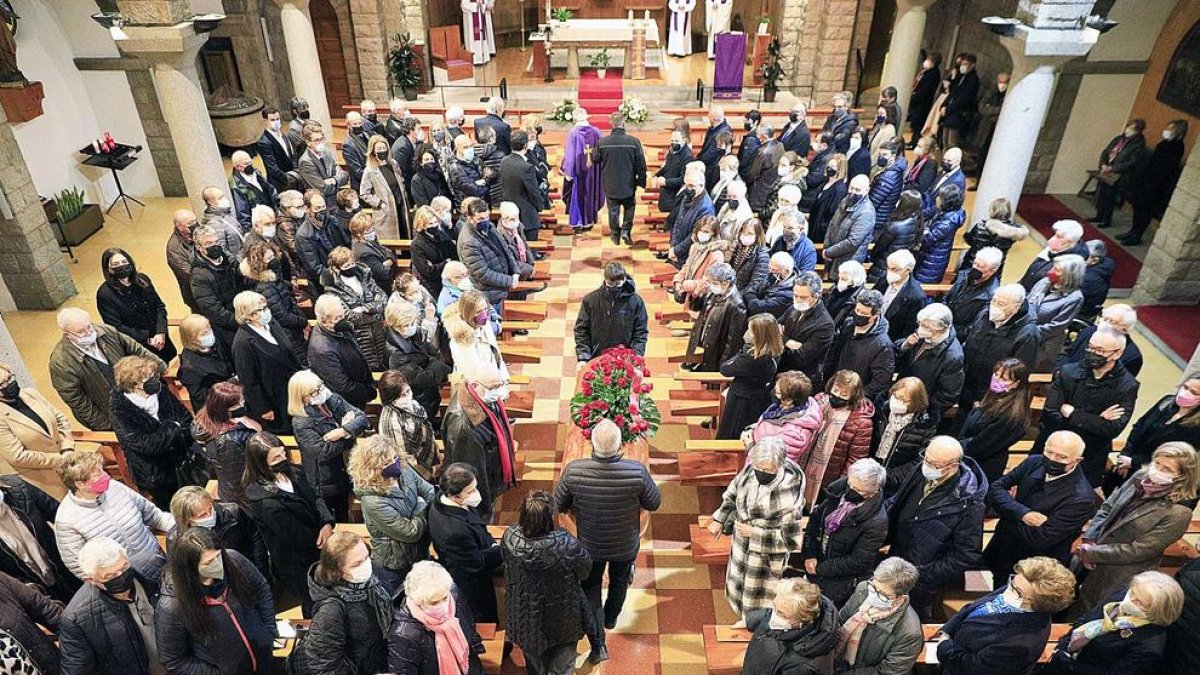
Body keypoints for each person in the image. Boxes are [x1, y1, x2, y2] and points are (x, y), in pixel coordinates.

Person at [555, 418, 660, 660]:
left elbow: (559, 503)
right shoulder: (636, 472)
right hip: (625, 544)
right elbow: (653, 502)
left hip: (590, 546)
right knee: (620, 580)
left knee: (590, 587)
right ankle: (612, 618)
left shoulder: (575, 471)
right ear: (620, 444)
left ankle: (598, 643)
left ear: (592, 444)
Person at [1070, 442, 1198, 616]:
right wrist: (1088, 539)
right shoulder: (1140, 477)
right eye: (1157, 463)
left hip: (1117, 573)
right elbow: (1108, 507)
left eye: (1167, 469)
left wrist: (1094, 552)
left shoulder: (1179, 513)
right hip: (1089, 553)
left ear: (1183, 476)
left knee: (1091, 614)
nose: (1157, 470)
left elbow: (1139, 550)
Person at [883, 436, 987, 620]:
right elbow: (900, 499)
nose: (927, 465)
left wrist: (925, 574)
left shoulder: (969, 504)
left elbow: (966, 554)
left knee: (913, 616)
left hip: (922, 576)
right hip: (899, 553)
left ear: (953, 466)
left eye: (935, 464)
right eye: (926, 459)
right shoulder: (922, 470)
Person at [708, 436, 805, 620]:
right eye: (758, 468)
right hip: (740, 546)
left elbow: (792, 541)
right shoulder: (751, 470)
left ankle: (752, 625)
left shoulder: (789, 495)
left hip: (764, 560)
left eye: (767, 470)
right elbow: (732, 492)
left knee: (757, 606)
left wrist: (755, 534)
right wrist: (719, 519)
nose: (761, 472)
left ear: (779, 466)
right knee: (737, 593)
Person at [985, 430, 1097, 588]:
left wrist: (1007, 511)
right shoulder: (1034, 462)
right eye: (1049, 452)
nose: (1052, 459)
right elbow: (995, 489)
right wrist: (1022, 514)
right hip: (1003, 549)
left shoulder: (1081, 498)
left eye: (1061, 457)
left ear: (1076, 460)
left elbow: (1041, 539)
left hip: (1033, 567)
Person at [155, 527, 275, 674]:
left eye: (218, 556)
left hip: (263, 659)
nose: (217, 565)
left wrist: (269, 631)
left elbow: (261, 590)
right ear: (190, 569)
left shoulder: (234, 561)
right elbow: (174, 661)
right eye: (208, 563)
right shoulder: (172, 607)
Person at [242, 431, 334, 617]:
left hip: (319, 542)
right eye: (276, 457)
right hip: (299, 561)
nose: (284, 458)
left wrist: (326, 522)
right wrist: (325, 540)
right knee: (314, 602)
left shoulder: (294, 472)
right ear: (261, 463)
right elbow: (295, 536)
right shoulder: (264, 501)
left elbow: (315, 496)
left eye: (283, 452)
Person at [934, 556, 1077, 674]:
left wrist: (944, 646)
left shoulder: (1021, 645)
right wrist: (947, 630)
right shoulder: (1018, 588)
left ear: (1037, 604)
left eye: (1018, 591)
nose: (1008, 590)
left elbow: (973, 667)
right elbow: (971, 608)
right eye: (1012, 581)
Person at [502, 490, 593, 673]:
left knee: (535, 667)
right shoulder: (566, 545)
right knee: (562, 666)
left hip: (525, 615)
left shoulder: (510, 537)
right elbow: (585, 571)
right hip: (563, 616)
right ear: (551, 518)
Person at [1035, 327, 1139, 486]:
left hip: (1090, 456)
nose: (1092, 353)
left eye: (1100, 350)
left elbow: (1112, 429)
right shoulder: (1068, 372)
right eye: (1090, 347)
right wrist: (1097, 420)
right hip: (1053, 443)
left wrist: (1073, 414)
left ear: (1117, 354)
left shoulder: (1127, 386)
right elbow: (1050, 412)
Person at [54, 451, 176, 581]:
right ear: (80, 484)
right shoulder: (66, 520)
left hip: (155, 559)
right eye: (98, 474)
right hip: (124, 578)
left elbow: (153, 515)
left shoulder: (116, 487)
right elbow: (79, 567)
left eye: (102, 470)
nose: (105, 476)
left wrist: (179, 527)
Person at [58, 537, 165, 674]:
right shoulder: (77, 619)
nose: (121, 576)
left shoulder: (154, 565)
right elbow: (77, 670)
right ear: (91, 580)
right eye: (110, 576)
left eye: (124, 567)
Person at [50, 307, 165, 432]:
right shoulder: (61, 363)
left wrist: (162, 368)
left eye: (89, 327)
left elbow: (136, 349)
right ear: (68, 335)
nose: (89, 333)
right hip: (108, 411)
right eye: (81, 332)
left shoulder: (106, 332)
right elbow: (78, 401)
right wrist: (106, 425)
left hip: (135, 396)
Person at [348, 434, 435, 593]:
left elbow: (429, 491)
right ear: (372, 468)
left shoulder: (403, 469)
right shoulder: (373, 501)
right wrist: (421, 505)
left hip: (419, 551)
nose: (394, 463)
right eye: (386, 462)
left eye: (394, 457)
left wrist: (422, 505)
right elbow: (410, 532)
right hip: (394, 562)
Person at [1049, 570, 1182, 675]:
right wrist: (1065, 644)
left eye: (1139, 602)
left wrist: (1070, 666)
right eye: (1132, 593)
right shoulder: (1123, 594)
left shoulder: (1148, 647)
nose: (1129, 600)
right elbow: (1088, 617)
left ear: (1156, 610)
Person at [798, 458, 889, 606]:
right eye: (850, 484)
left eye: (859, 490)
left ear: (873, 492)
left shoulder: (876, 522)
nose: (851, 491)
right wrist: (810, 554)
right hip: (817, 564)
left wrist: (821, 568)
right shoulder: (837, 491)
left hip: (840, 581)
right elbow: (815, 521)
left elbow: (859, 561)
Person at [109, 356, 193, 509]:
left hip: (183, 458)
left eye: (152, 376)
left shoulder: (159, 391)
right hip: (155, 472)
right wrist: (173, 427)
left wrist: (169, 434)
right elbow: (145, 445)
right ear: (133, 385)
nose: (153, 381)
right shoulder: (119, 409)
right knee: (173, 507)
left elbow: (186, 418)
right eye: (146, 379)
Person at [288, 369, 370, 523]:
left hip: (344, 470)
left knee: (344, 513)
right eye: (313, 392)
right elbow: (323, 451)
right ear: (302, 398)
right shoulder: (301, 422)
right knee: (332, 520)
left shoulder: (332, 400)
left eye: (320, 387)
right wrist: (349, 437)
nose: (320, 392)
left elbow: (361, 418)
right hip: (325, 480)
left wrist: (342, 431)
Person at [427, 463, 502, 624]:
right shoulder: (454, 532)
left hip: (477, 548)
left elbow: (478, 527)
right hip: (471, 581)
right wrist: (498, 550)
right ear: (455, 496)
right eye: (471, 491)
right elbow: (477, 563)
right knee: (482, 616)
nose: (476, 494)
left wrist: (489, 541)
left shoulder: (446, 498)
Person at [387, 559, 486, 674]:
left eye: (444, 598)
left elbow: (469, 625)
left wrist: (476, 650)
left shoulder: (452, 593)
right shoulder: (404, 634)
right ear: (418, 601)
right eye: (434, 602)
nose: (443, 605)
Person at [441, 373, 515, 524]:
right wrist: (484, 511)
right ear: (474, 385)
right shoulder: (463, 427)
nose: (499, 391)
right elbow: (472, 474)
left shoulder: (478, 397)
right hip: (484, 480)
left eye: (501, 385)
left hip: (492, 466)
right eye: (494, 387)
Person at [1108, 373, 1200, 493]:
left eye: (1194, 392)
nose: (1185, 393)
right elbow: (1139, 427)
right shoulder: (1166, 402)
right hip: (1127, 460)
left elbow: (1175, 458)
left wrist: (1133, 463)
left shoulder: (1196, 428)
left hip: (1153, 473)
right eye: (1185, 387)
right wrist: (1125, 457)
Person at [0, 365, 79, 500]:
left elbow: (61, 420)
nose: (9, 384)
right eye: (2, 384)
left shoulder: (31, 393)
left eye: (9, 378)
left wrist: (67, 449)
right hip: (43, 481)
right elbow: (17, 456)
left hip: (69, 463)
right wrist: (59, 460)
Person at [960, 284, 1042, 412]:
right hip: (969, 384)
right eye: (994, 301)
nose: (995, 306)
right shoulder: (984, 315)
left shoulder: (1028, 334)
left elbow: (1018, 372)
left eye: (1001, 304)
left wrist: (992, 399)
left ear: (1015, 308)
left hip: (992, 393)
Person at [834, 556, 923, 673]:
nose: (873, 595)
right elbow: (842, 619)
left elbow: (887, 672)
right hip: (839, 662)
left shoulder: (910, 633)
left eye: (883, 594)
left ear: (900, 597)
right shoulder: (863, 589)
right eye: (874, 587)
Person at [742, 576, 839, 674]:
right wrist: (750, 620)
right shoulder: (790, 610)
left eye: (781, 614)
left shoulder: (805, 668)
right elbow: (769, 613)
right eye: (774, 606)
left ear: (801, 621)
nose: (774, 615)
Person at [958, 358, 1032, 480]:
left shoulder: (1011, 414)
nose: (996, 379)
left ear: (1016, 383)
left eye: (1004, 378)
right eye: (996, 374)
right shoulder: (993, 397)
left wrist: (956, 448)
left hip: (982, 466)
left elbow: (982, 444)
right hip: (967, 456)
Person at [807, 370, 875, 504]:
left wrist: (840, 484)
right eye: (836, 390)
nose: (837, 396)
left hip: (829, 476)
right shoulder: (819, 401)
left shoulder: (862, 422)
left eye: (844, 394)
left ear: (853, 396)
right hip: (806, 465)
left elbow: (855, 458)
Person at [96, 248, 175, 363]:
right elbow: (116, 326)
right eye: (116, 264)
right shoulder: (105, 294)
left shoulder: (142, 279)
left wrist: (160, 332)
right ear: (109, 269)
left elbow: (159, 306)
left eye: (124, 262)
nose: (122, 266)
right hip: (138, 344)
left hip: (159, 337)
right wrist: (148, 339)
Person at [239, 242, 309, 366]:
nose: (274, 261)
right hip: (288, 333)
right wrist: (302, 322)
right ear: (260, 263)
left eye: (273, 257)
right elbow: (281, 316)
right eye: (269, 258)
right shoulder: (264, 287)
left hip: (294, 328)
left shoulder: (274, 277)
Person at [1121, 119, 1188, 245]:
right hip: (1147, 179)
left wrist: (1153, 183)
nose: (1167, 131)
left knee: (1146, 211)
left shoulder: (1177, 147)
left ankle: (1137, 235)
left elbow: (1166, 169)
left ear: (1178, 131)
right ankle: (1132, 231)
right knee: (1138, 206)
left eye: (1171, 129)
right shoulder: (1165, 143)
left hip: (1157, 185)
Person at [321, 248, 389, 370]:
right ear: (337, 268)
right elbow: (347, 315)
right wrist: (374, 314)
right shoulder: (333, 289)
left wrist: (368, 308)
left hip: (378, 331)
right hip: (359, 337)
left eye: (352, 263)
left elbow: (382, 298)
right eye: (347, 265)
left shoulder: (364, 276)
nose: (351, 267)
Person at [893, 303, 964, 420]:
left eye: (926, 327)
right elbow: (897, 353)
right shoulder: (923, 335)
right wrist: (906, 344)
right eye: (920, 324)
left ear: (941, 329)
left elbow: (948, 395)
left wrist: (922, 409)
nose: (921, 329)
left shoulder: (953, 357)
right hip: (902, 395)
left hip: (919, 409)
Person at [304, 294, 375, 410]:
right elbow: (343, 387)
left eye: (343, 315)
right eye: (337, 318)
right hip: (348, 403)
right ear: (324, 321)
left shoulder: (338, 329)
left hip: (359, 386)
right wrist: (368, 392)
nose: (342, 320)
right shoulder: (322, 349)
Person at [821, 290, 895, 401]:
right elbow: (834, 352)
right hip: (836, 386)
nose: (858, 315)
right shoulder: (848, 324)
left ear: (875, 315)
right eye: (857, 310)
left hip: (855, 397)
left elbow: (881, 380)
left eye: (864, 314)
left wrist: (856, 397)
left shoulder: (883, 345)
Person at [718, 313, 783, 439]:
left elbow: (725, 369)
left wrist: (744, 350)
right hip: (758, 396)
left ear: (760, 335)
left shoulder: (753, 358)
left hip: (741, 400)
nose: (747, 333)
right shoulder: (775, 349)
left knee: (732, 432)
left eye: (751, 331)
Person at [383, 303, 451, 422]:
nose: (411, 327)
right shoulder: (395, 353)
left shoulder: (414, 335)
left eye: (413, 323)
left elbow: (435, 352)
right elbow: (422, 378)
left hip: (428, 396)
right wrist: (438, 365)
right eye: (406, 325)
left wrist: (433, 362)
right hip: (416, 402)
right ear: (394, 326)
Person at [574, 262, 649, 365]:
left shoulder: (636, 302)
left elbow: (640, 331)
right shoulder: (591, 300)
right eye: (610, 284)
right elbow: (581, 330)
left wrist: (636, 355)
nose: (614, 288)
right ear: (605, 279)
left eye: (618, 284)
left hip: (625, 359)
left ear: (624, 279)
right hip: (596, 357)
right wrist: (583, 357)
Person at [745, 370, 823, 464]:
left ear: (789, 400)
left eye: (777, 392)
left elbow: (772, 462)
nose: (774, 393)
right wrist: (752, 429)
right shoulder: (782, 406)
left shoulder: (794, 434)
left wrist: (750, 445)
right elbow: (766, 422)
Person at [376, 370, 441, 482]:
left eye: (408, 391)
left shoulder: (410, 403)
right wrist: (431, 472)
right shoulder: (391, 422)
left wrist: (435, 448)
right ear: (390, 398)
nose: (407, 396)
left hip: (427, 455)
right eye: (402, 395)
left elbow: (425, 424)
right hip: (418, 473)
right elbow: (405, 459)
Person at [593, 113, 647, 245]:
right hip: (628, 183)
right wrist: (641, 182)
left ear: (611, 123)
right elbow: (641, 165)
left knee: (613, 210)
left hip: (610, 184)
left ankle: (615, 234)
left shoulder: (602, 143)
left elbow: (595, 159)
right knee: (629, 207)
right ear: (623, 123)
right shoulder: (634, 142)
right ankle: (626, 231)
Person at [190, 224, 244, 354]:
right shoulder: (199, 276)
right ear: (199, 248)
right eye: (208, 243)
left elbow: (244, 281)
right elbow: (214, 311)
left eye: (216, 241)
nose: (215, 246)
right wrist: (241, 321)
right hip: (227, 328)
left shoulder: (229, 260)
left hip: (242, 313)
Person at [457, 198, 521, 307]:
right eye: (481, 218)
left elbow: (504, 248)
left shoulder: (489, 226)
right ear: (470, 218)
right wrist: (510, 280)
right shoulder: (469, 242)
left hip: (499, 287)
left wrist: (515, 271)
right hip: (487, 293)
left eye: (487, 216)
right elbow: (482, 274)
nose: (485, 220)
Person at [684, 263, 746, 372]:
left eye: (714, 283)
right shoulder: (715, 292)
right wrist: (697, 294)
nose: (711, 285)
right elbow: (698, 308)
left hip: (716, 351)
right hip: (704, 340)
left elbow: (733, 342)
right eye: (710, 282)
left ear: (726, 283)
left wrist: (724, 364)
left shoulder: (736, 305)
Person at [868, 377, 936, 472]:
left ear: (915, 402)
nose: (896, 401)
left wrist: (891, 477)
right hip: (871, 467)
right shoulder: (881, 411)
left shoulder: (925, 425)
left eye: (902, 399)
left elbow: (918, 461)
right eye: (895, 396)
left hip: (895, 476)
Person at [778, 272, 835, 384]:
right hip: (782, 370)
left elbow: (801, 358)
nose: (798, 300)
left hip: (801, 380)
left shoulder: (825, 325)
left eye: (803, 297)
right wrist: (790, 343)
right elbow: (775, 327)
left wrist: (783, 339)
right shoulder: (793, 309)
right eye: (795, 296)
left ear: (816, 296)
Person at [443, 289, 508, 383]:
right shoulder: (462, 338)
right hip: (479, 388)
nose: (484, 315)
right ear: (467, 312)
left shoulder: (485, 325)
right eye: (478, 312)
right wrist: (496, 390)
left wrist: (504, 378)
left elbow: (495, 352)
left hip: (494, 378)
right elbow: (473, 374)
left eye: (485, 309)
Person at [1093, 119, 1149, 228]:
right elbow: (1106, 151)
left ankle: (1106, 219)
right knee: (1101, 193)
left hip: (1120, 174)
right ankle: (1099, 215)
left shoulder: (1138, 144)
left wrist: (1113, 168)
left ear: (1138, 131)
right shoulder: (1119, 138)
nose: (1128, 130)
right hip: (1106, 169)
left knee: (1110, 196)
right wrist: (1103, 164)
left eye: (1132, 129)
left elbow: (1132, 161)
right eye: (1128, 127)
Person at [1062, 304, 1143, 377]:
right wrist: (1060, 371)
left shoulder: (1133, 356)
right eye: (1105, 319)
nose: (1105, 324)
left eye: (1112, 321)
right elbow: (1068, 353)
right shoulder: (1088, 331)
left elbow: (1121, 385)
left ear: (1126, 328)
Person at [176, 314, 235, 410]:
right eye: (204, 334)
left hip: (231, 395)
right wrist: (226, 388)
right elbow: (200, 395)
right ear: (192, 338)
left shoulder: (215, 343)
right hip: (215, 407)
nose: (209, 334)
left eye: (209, 329)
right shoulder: (189, 366)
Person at [295, 191, 350, 294]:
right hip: (325, 283)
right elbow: (315, 269)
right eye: (317, 208)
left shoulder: (333, 221)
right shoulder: (303, 235)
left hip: (345, 271)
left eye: (323, 207)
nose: (322, 211)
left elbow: (347, 244)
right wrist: (337, 277)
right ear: (307, 209)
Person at [823, 174, 875, 279]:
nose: (853, 192)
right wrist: (827, 247)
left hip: (849, 261)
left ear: (867, 190)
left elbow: (853, 242)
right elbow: (832, 224)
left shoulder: (866, 212)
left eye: (858, 190)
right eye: (851, 188)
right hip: (833, 255)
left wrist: (829, 252)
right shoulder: (845, 201)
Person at [867, 189, 923, 284]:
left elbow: (880, 247)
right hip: (900, 266)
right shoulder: (918, 221)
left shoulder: (895, 227)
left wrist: (873, 257)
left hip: (884, 265)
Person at [946, 246, 1003, 339]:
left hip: (956, 335)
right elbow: (948, 297)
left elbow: (975, 326)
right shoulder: (964, 275)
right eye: (975, 263)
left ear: (992, 270)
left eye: (980, 266)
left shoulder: (992, 295)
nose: (975, 268)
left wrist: (948, 330)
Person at [915, 182, 966, 284]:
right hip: (930, 257)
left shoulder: (948, 223)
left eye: (940, 197)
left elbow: (927, 239)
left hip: (931, 262)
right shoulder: (947, 211)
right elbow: (929, 212)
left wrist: (922, 230)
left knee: (923, 287)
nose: (937, 198)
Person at [672, 217, 728, 308]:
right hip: (690, 292)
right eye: (700, 230)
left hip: (702, 296)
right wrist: (678, 281)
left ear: (713, 234)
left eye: (706, 232)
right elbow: (687, 266)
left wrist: (687, 285)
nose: (702, 234)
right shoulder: (695, 247)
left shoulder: (716, 254)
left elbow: (709, 280)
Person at [562, 107, 603, 231]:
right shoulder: (596, 132)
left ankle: (578, 222)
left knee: (577, 194)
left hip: (578, 170)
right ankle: (589, 221)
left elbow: (569, 154)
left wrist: (567, 172)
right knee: (591, 191)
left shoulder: (573, 133)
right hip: (593, 170)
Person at [959, 197, 1027, 273]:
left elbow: (969, 240)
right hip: (994, 268)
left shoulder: (981, 226)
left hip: (973, 262)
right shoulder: (1014, 232)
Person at [873, 249, 926, 342]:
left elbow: (909, 330)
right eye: (888, 268)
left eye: (895, 269)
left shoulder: (916, 297)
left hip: (890, 339)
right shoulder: (883, 280)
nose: (890, 272)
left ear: (908, 270)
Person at [1019, 219, 1087, 291]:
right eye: (1055, 234)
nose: (1053, 239)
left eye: (1059, 236)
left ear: (1069, 241)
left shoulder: (1067, 265)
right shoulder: (1053, 250)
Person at [668, 167, 716, 266]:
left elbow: (694, 234)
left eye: (691, 186)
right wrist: (673, 246)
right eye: (686, 185)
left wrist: (677, 250)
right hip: (679, 248)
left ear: (701, 185)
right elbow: (678, 220)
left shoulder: (706, 207)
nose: (688, 188)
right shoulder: (688, 196)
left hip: (690, 253)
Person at [410, 205, 458, 299]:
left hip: (448, 279)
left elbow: (454, 253)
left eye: (436, 222)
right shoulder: (417, 245)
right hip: (431, 286)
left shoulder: (441, 235)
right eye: (430, 224)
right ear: (422, 225)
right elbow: (428, 271)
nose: (434, 226)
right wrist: (446, 262)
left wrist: (437, 265)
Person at [348, 210, 397, 292]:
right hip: (380, 289)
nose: (372, 231)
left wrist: (389, 260)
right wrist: (390, 260)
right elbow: (384, 273)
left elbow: (386, 250)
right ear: (359, 233)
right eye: (368, 230)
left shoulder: (370, 240)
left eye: (372, 227)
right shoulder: (363, 253)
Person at [938, 54, 980, 150]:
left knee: (951, 142)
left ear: (972, 65)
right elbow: (953, 91)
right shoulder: (961, 76)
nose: (963, 66)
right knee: (944, 140)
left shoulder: (973, 80)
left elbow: (964, 99)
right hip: (949, 112)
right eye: (962, 64)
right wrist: (943, 105)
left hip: (958, 113)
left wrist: (948, 109)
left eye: (966, 64)